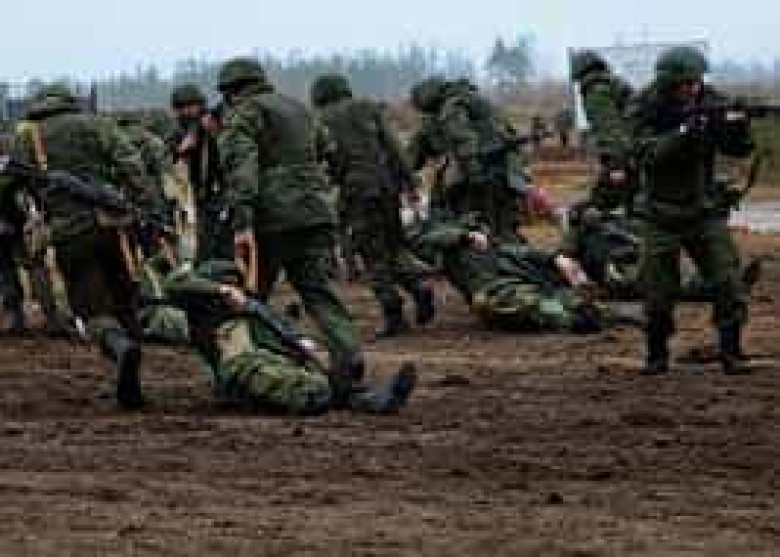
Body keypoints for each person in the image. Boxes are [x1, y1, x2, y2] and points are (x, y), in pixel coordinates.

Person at [216, 57, 365, 388]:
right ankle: (349, 354)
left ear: (230, 91)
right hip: (314, 211)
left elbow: (242, 170)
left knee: (250, 295)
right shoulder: (298, 108)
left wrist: (242, 222)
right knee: (318, 292)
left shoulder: (245, 113)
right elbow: (329, 149)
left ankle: (260, 364)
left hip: (272, 218)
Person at [11, 83, 161, 407]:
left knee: (91, 310)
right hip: (112, 228)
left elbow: (11, 183)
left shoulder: (28, 136)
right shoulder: (97, 125)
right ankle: (132, 378)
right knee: (125, 302)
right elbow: (131, 165)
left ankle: (120, 349)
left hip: (70, 234)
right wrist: (146, 209)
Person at [142, 260, 417, 415]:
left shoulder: (251, 314)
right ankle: (360, 398)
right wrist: (220, 291)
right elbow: (174, 284)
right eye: (230, 284)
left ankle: (369, 399)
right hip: (242, 372)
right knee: (310, 390)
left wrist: (300, 346)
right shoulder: (202, 310)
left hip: (262, 365)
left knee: (316, 380)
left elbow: (283, 339)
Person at [629, 46, 755, 375]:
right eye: (685, 83)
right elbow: (644, 155)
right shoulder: (645, 105)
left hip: (703, 211)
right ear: (668, 82)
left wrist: (737, 126)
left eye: (696, 82)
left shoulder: (712, 102)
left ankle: (731, 351)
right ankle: (656, 355)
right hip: (660, 214)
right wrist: (684, 133)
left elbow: (739, 150)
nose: (693, 88)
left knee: (728, 281)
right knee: (657, 292)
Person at [309, 73, 435, 338]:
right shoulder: (367, 107)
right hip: (387, 187)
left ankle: (393, 313)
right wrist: (410, 183)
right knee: (394, 246)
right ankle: (418, 288)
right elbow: (394, 147)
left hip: (358, 193)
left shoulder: (322, 119)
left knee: (372, 254)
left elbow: (320, 160)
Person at [408, 213, 624, 333]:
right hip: (493, 289)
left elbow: (518, 250)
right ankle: (574, 322)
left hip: (524, 279)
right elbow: (422, 241)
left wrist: (556, 259)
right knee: (530, 304)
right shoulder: (446, 245)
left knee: (574, 300)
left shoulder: (492, 240)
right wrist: (464, 236)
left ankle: (606, 315)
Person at [169, 83, 232, 262]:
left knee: (224, 246)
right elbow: (173, 155)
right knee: (205, 247)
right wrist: (182, 149)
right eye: (181, 107)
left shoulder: (215, 122)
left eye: (191, 106)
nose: (186, 111)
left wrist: (212, 131)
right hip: (202, 198)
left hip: (225, 193)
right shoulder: (180, 132)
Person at [570, 49, 636, 212]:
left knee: (596, 208)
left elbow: (610, 129)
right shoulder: (613, 83)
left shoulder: (597, 91)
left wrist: (616, 165)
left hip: (626, 156)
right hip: (636, 151)